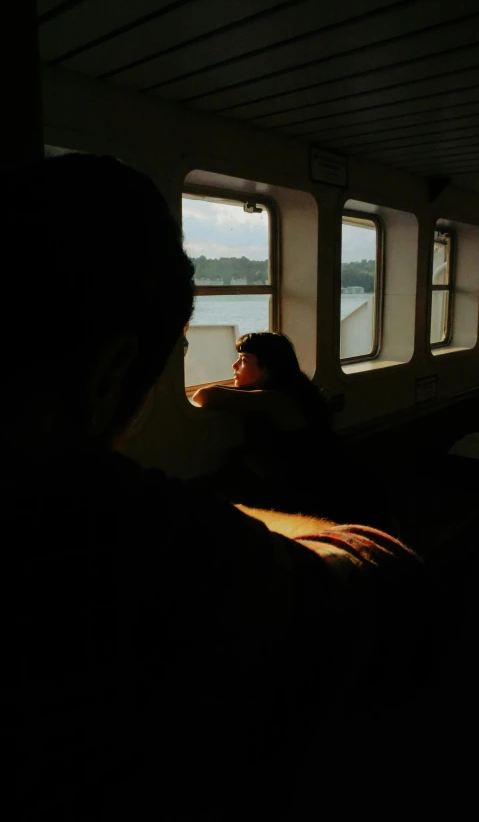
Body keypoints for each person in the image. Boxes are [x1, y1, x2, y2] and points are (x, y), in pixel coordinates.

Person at [1, 154, 425, 818]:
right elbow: (384, 574)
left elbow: (213, 400)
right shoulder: (134, 536)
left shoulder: (273, 402)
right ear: (110, 373)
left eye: (242, 360)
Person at [192, 332, 397, 531]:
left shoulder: (279, 400)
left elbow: (204, 396)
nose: (234, 366)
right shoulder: (293, 390)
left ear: (267, 370)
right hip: (314, 481)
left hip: (318, 489)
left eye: (244, 360)